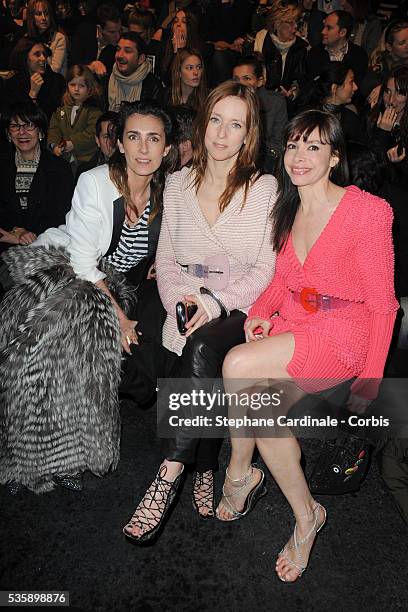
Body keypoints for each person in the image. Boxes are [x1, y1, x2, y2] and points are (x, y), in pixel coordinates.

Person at [215, 109, 398, 582]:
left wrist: (370, 381)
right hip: (294, 325)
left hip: (344, 333)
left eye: (314, 146)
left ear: (335, 156)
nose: (300, 156)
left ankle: (239, 474)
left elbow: (384, 306)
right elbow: (281, 281)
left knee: (237, 362)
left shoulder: (367, 211)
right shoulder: (288, 206)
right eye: (293, 145)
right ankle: (306, 515)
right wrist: (259, 314)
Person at [122, 80, 277, 542]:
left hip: (237, 302)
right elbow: (165, 258)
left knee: (204, 344)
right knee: (194, 347)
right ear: (203, 122)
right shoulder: (177, 183)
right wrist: (181, 303)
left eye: (236, 125)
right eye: (215, 120)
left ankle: (169, 472)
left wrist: (212, 303)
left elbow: (265, 267)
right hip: (185, 297)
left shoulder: (263, 187)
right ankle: (206, 464)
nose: (222, 134)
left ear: (249, 134)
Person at [0, 101, 178, 494]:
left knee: (81, 362)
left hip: (110, 281)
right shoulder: (96, 181)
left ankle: (70, 455)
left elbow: (171, 242)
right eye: (133, 137)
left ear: (167, 149)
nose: (143, 149)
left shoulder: (169, 192)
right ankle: (25, 458)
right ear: (120, 143)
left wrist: (157, 261)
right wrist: (119, 318)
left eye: (154, 139)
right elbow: (82, 261)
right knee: (41, 351)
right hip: (65, 267)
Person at [0, 101, 73, 254]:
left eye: (29, 125)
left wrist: (31, 235)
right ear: (8, 134)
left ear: (40, 132)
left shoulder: (60, 168)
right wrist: (16, 230)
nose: (22, 132)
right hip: (8, 243)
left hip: (46, 247)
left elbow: (61, 215)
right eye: (15, 126)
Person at [232, 53, 288, 171]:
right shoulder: (227, 102)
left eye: (247, 78)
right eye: (236, 79)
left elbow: (278, 142)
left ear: (260, 81)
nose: (241, 84)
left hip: (264, 161)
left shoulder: (275, 102)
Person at [47, 64, 103, 172]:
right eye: (72, 84)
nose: (76, 89)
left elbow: (92, 133)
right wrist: (54, 145)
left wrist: (73, 143)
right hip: (64, 160)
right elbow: (54, 129)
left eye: (81, 86)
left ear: (89, 87)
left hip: (87, 161)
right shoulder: (61, 110)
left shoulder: (94, 110)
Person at [253, 2, 308, 104]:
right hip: (259, 99)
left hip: (285, 103)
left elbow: (300, 81)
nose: (295, 26)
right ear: (277, 23)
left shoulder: (300, 48)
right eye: (290, 22)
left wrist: (292, 93)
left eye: (296, 21)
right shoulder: (260, 40)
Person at [298, 61, 365, 142]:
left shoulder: (350, 118)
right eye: (351, 82)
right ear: (334, 88)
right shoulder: (307, 117)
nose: (355, 87)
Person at [2, 36, 66, 119]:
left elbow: (60, 116)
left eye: (44, 54)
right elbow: (17, 119)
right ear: (25, 57)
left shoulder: (57, 81)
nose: (43, 58)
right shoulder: (13, 84)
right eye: (37, 54)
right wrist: (33, 94)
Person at [367, 66, 408, 188]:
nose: (391, 100)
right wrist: (382, 133)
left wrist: (400, 162)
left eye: (400, 93)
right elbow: (368, 167)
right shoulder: (372, 116)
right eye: (388, 91)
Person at [307, 10, 368, 87]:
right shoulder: (314, 53)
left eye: (328, 28)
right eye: (324, 26)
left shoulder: (359, 55)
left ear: (342, 32)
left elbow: (356, 89)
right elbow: (312, 87)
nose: (323, 31)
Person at [108, 32, 164, 111]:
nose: (120, 55)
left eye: (127, 51)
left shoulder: (153, 86)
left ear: (141, 59)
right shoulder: (106, 80)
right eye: (118, 49)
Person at [26, 0, 68, 76]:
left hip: (55, 83)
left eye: (46, 14)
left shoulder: (59, 38)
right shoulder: (27, 38)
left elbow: (55, 69)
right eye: (39, 14)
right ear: (31, 17)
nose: (44, 18)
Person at [75, 110, 118, 178]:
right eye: (106, 136)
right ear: (97, 140)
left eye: (115, 135)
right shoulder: (86, 172)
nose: (111, 141)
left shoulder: (135, 168)